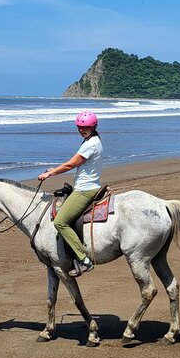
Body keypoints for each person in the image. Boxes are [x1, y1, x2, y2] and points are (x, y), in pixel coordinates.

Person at [38, 111, 103, 276]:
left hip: (85, 190)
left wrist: (49, 174)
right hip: (86, 186)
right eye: (80, 127)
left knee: (60, 221)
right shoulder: (91, 140)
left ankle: (84, 259)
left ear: (93, 127)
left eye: (86, 127)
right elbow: (73, 163)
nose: (82, 130)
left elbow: (70, 165)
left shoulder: (90, 144)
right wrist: (55, 169)